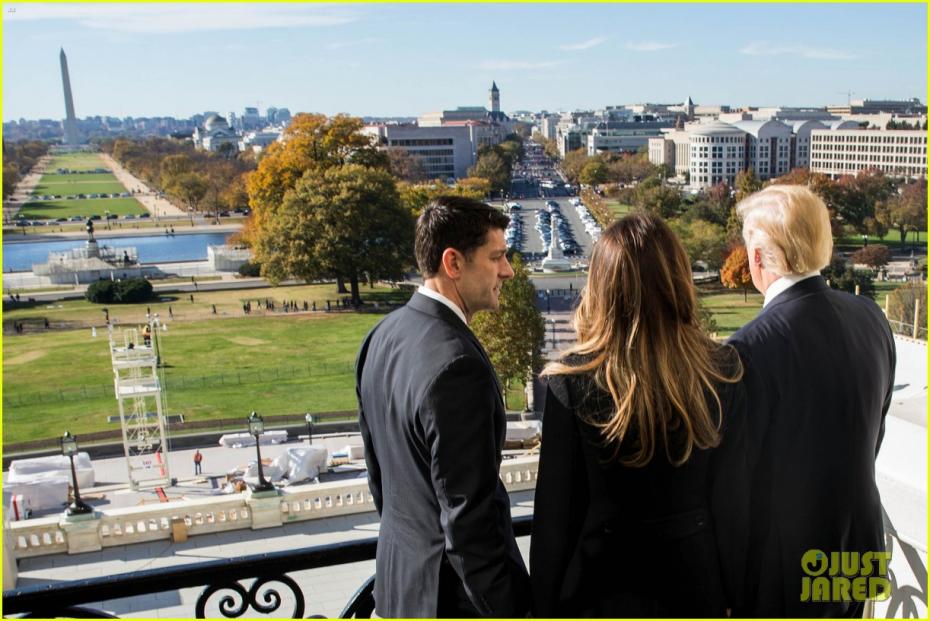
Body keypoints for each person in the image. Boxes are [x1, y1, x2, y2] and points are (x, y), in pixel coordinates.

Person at [530, 212, 745, 617]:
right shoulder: (724, 370)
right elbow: (736, 504)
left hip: (601, 588)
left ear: (602, 286)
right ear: (677, 278)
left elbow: (555, 524)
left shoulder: (570, 383)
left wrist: (543, 607)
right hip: (696, 587)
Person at [723, 185, 895, 616]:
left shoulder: (748, 350)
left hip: (785, 568)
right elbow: (874, 429)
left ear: (758, 258)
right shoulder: (872, 318)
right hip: (857, 553)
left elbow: (734, 481)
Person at [356, 196, 531, 618]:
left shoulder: (382, 336)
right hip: (451, 601)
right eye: (497, 257)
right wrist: (510, 609)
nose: (507, 271)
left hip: (399, 588)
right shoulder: (458, 367)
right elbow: (468, 520)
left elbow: (382, 481)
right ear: (454, 263)